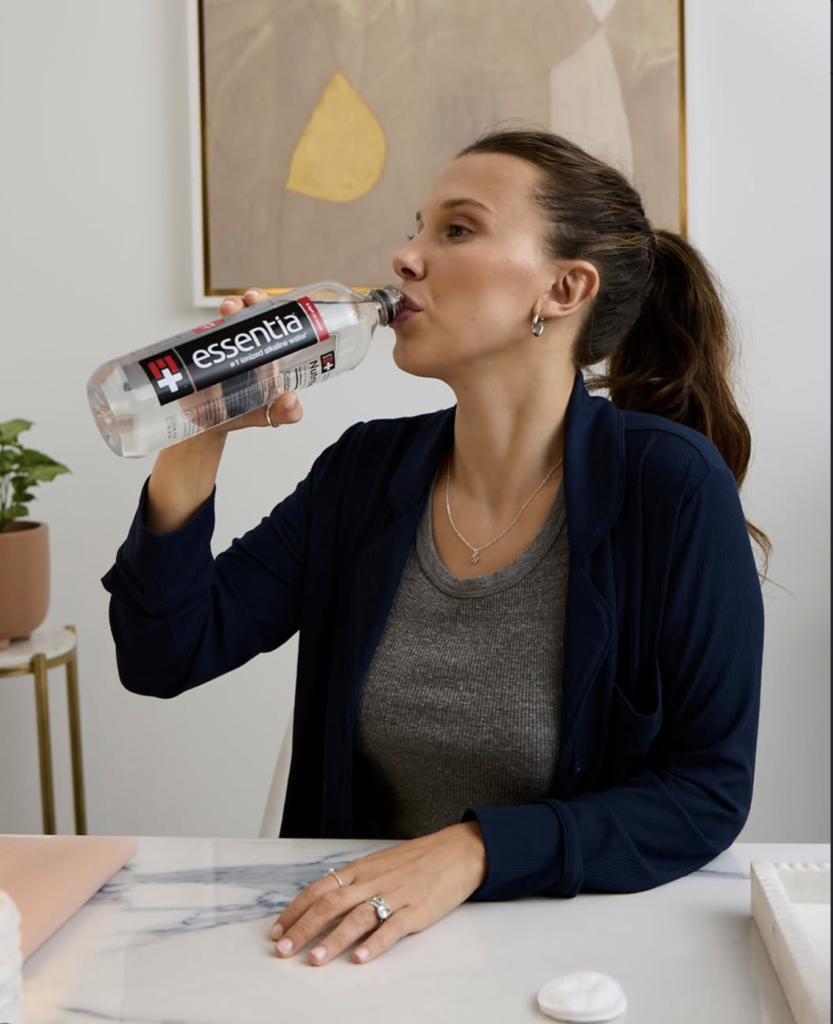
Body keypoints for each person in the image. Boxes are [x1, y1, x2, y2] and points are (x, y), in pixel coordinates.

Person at [102, 127, 768, 968]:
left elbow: (702, 793)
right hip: (350, 953)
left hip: (581, 954)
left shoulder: (666, 483)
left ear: (564, 288)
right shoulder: (364, 472)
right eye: (418, 228)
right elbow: (164, 653)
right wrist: (200, 422)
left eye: (455, 230)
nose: (404, 257)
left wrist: (472, 850)